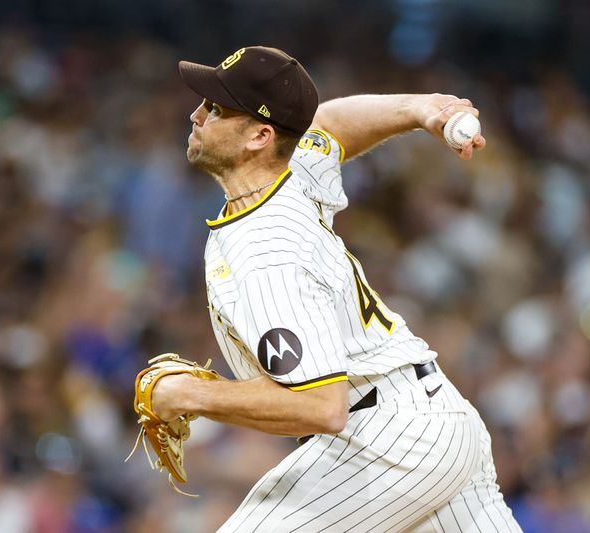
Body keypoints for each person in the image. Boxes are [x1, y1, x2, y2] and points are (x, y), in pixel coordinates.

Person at [151, 45, 522, 532]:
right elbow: (327, 126)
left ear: (260, 136)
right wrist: (418, 108)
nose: (197, 114)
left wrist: (191, 395)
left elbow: (320, 406)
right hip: (433, 420)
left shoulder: (268, 251)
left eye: (216, 108)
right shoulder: (289, 173)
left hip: (385, 442)